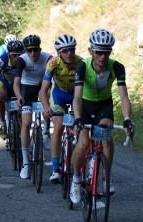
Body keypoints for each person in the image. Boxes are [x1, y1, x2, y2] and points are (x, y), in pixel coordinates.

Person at [69, 29, 135, 204]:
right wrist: (77, 119)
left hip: (104, 106)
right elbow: (76, 97)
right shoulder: (83, 66)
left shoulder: (117, 67)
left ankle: (106, 178)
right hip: (85, 105)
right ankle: (76, 180)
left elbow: (124, 97)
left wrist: (127, 119)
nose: (103, 56)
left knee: (107, 137)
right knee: (83, 143)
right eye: (99, 52)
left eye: (107, 52)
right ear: (91, 51)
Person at [39, 34, 83, 183]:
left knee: (78, 127)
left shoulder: (81, 63)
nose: (69, 53)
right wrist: (46, 108)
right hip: (59, 95)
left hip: (76, 96)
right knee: (58, 127)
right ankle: (55, 169)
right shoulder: (52, 64)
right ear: (58, 53)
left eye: (71, 49)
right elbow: (43, 90)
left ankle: (77, 158)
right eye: (65, 51)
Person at [13, 34, 53, 179]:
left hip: (43, 87)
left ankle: (46, 131)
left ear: (40, 49)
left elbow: (54, 83)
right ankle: (25, 162)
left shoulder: (49, 58)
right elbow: (16, 83)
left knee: (48, 103)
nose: (33, 53)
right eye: (29, 50)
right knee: (26, 123)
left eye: (35, 50)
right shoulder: (22, 60)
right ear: (25, 51)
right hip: (26, 89)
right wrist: (19, 98)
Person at [0, 40, 24, 140]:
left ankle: (23, 138)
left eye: (20, 54)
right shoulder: (2, 60)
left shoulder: (25, 59)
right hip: (4, 82)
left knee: (20, 113)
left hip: (18, 84)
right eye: (14, 55)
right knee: (1, 95)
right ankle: (3, 124)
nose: (17, 58)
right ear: (9, 54)